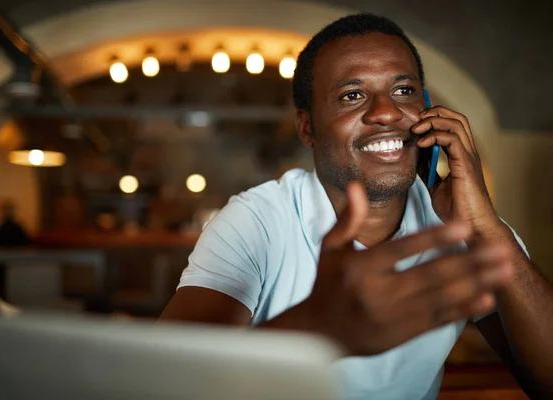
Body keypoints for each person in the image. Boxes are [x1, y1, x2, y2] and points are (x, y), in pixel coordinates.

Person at [159, 14, 553, 399]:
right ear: (307, 127)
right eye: (352, 95)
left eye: (403, 91)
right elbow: (166, 383)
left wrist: (487, 227)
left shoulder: (465, 227)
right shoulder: (257, 220)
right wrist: (320, 327)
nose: (386, 112)